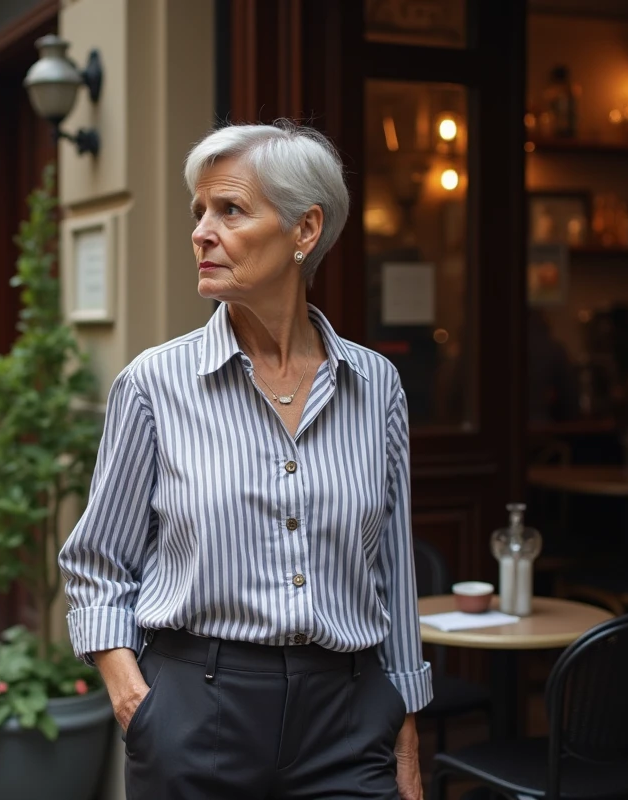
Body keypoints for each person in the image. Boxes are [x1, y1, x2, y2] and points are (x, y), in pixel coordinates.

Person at [59, 122, 430, 799]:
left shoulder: (376, 386)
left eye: (229, 209)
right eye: (199, 211)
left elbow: (392, 570)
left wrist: (404, 719)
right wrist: (130, 694)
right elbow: (98, 561)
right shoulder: (153, 384)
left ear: (304, 230)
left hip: (348, 719)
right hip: (197, 714)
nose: (202, 231)